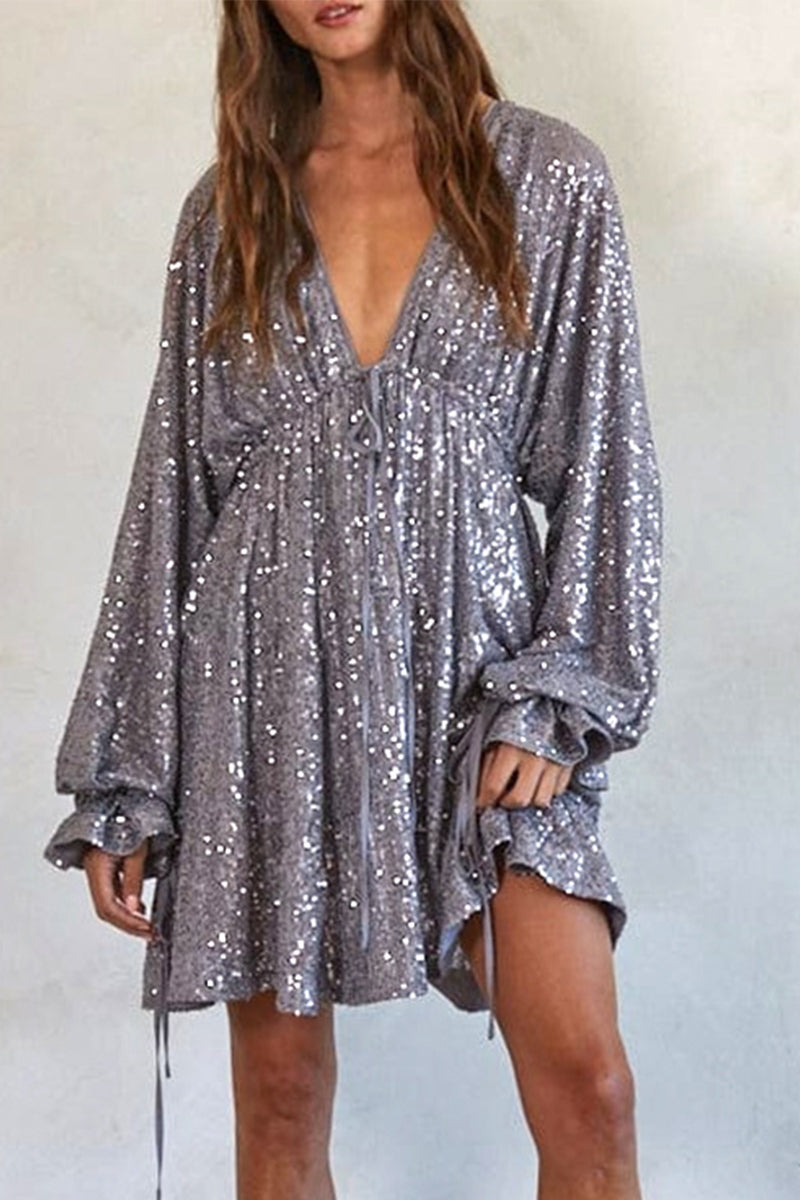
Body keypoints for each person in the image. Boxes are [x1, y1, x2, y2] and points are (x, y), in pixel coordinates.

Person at [42, 2, 663, 1198]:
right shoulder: (232, 209)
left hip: (483, 693)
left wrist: (560, 695)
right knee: (279, 1106)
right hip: (266, 691)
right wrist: (128, 776)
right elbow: (171, 496)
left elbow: (605, 462)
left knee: (588, 1088)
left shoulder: (545, 177)